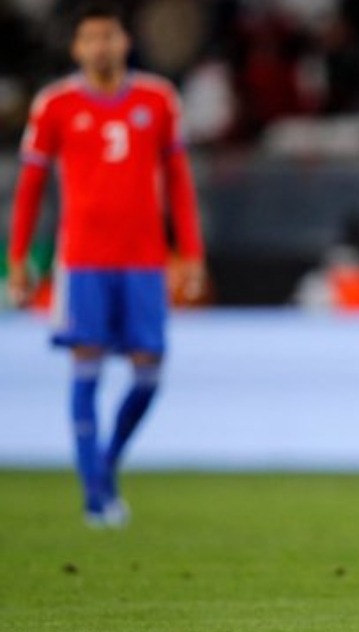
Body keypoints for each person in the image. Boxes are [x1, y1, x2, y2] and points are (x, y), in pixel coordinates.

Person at [6, 1, 206, 528]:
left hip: (144, 260)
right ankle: (96, 494)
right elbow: (30, 188)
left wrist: (190, 252)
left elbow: (180, 183)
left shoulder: (157, 100)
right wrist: (18, 257)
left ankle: (106, 463)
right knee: (87, 366)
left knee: (148, 374)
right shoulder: (55, 104)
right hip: (85, 260)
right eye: (91, 38)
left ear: (124, 41)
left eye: (109, 36)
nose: (101, 46)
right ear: (77, 47)